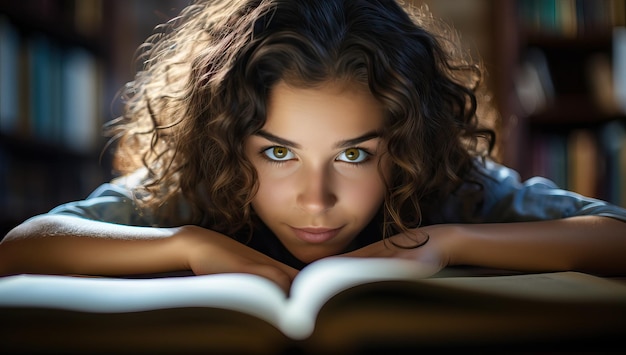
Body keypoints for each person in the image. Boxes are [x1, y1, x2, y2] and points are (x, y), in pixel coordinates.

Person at [1, 0, 625, 291]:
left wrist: (447, 241)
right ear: (227, 143)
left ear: (405, 143)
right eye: (278, 152)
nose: (316, 200)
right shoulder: (197, 186)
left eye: (354, 154)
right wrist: (191, 244)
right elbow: (20, 248)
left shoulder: (443, 181)